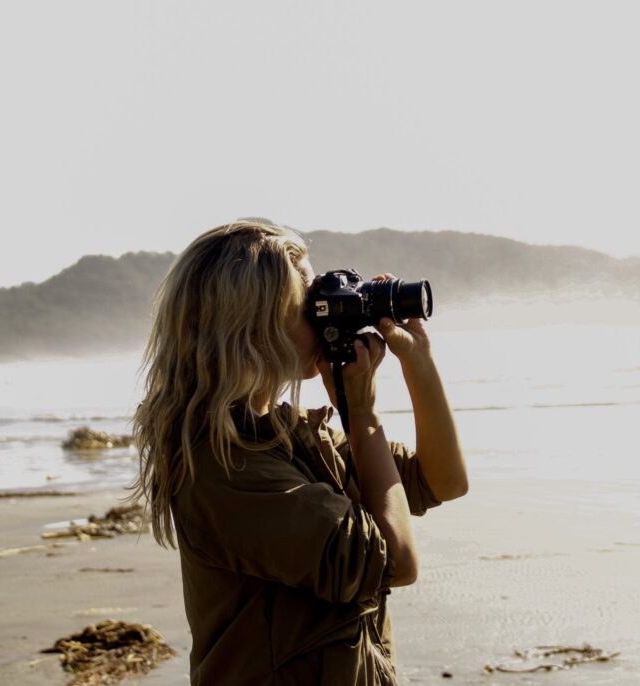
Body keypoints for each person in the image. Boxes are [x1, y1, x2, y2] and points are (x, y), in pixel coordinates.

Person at [127, 220, 468, 685]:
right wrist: (362, 415)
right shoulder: (225, 466)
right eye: (309, 301)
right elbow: (396, 561)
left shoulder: (293, 434)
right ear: (254, 325)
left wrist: (418, 360)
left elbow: (443, 480)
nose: (327, 311)